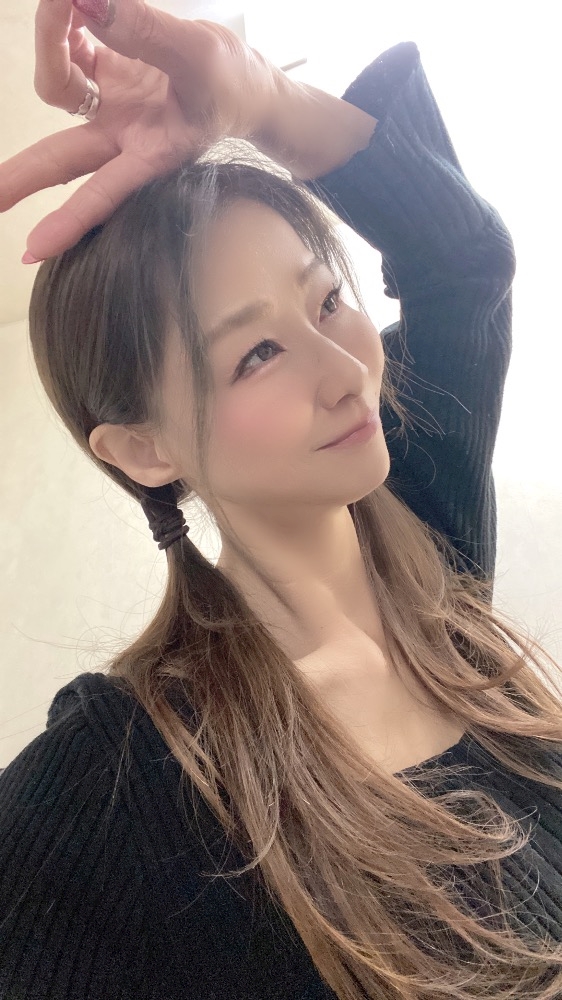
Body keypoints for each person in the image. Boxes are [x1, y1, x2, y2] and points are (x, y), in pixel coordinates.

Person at [1, 1, 562, 996]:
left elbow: (462, 260)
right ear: (144, 448)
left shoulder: (429, 542)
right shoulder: (123, 779)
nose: (346, 371)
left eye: (327, 300)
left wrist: (259, 99)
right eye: (256, 352)